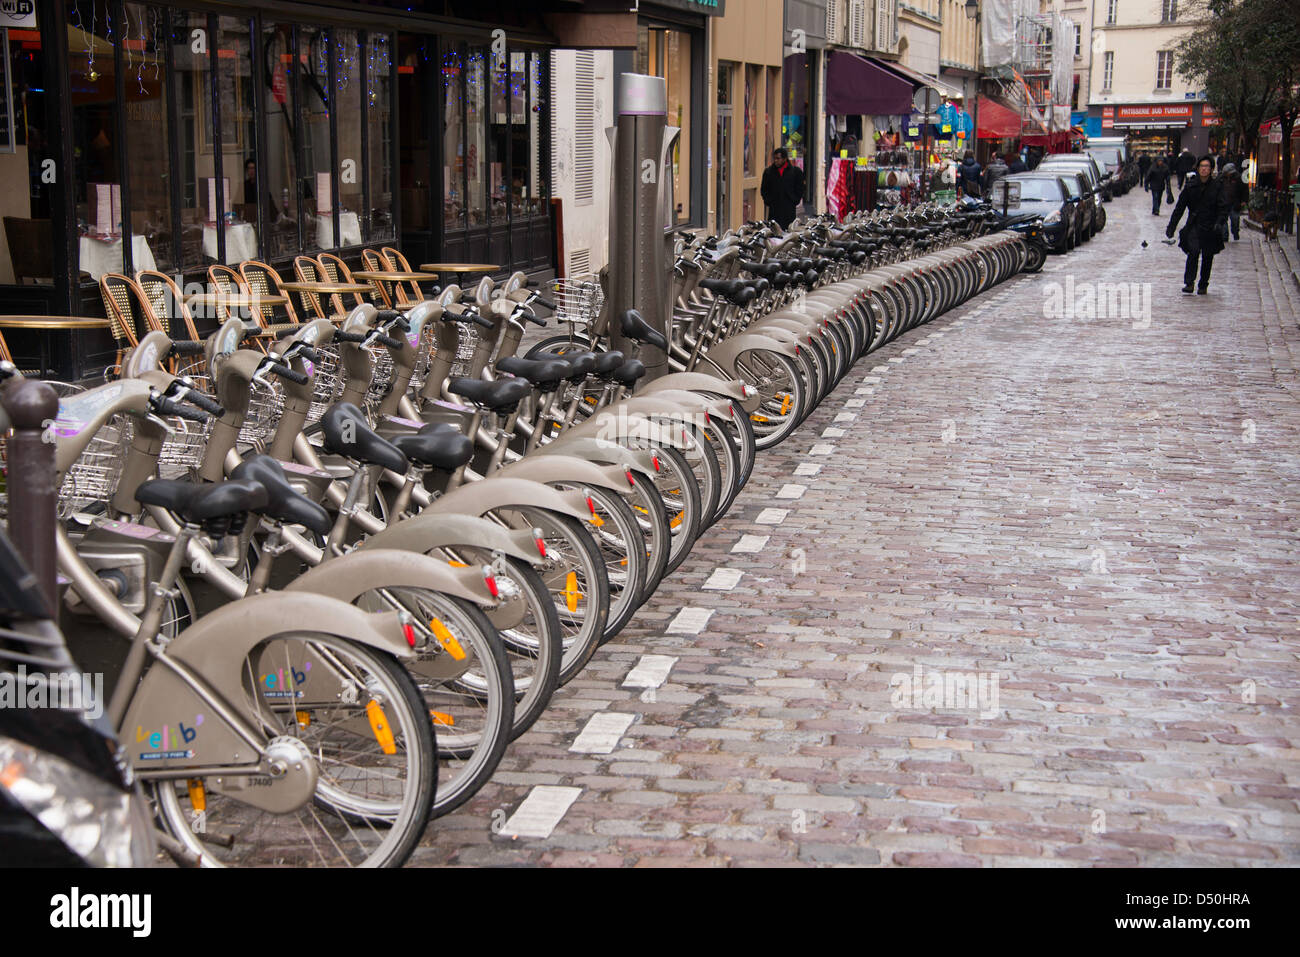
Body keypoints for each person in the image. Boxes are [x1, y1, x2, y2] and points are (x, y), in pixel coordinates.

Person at [1166, 155, 1228, 294]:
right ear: (1198, 168)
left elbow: (1223, 207)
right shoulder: (1190, 186)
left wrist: (1220, 223)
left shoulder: (1217, 186)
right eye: (1202, 166)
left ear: (1211, 169)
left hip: (1211, 226)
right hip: (1194, 224)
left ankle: (1203, 284)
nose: (1204, 169)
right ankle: (1189, 282)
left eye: (1207, 167)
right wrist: (1171, 226)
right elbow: (1179, 208)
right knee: (1193, 252)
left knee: (1207, 256)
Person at [760, 147, 805, 229]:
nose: (776, 161)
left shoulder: (795, 172)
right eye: (775, 158)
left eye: (778, 158)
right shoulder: (768, 172)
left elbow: (800, 188)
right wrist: (768, 201)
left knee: (788, 230)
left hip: (789, 209)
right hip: (774, 209)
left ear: (784, 159)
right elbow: (764, 189)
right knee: (774, 230)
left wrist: (795, 200)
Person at [1220, 163, 1244, 241]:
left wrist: (1244, 200)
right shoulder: (1221, 179)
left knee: (1235, 219)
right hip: (1223, 202)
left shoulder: (1238, 178)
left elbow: (1244, 189)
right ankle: (1224, 236)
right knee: (1223, 220)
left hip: (1235, 203)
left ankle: (1235, 232)